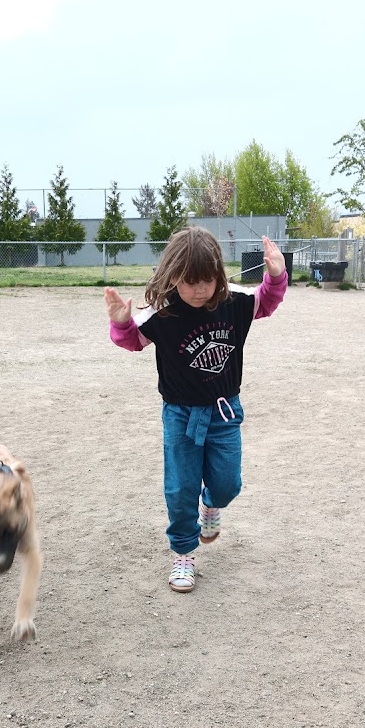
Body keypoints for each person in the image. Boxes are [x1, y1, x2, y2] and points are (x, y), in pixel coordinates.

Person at [105, 226, 287, 593]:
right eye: (190, 282)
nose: (200, 289)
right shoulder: (163, 314)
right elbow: (132, 341)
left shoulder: (233, 303)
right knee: (180, 488)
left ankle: (211, 507)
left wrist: (276, 274)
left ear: (219, 274)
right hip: (180, 415)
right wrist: (121, 321)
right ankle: (183, 553)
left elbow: (266, 301)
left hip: (224, 413)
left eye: (207, 279)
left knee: (226, 485)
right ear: (173, 277)